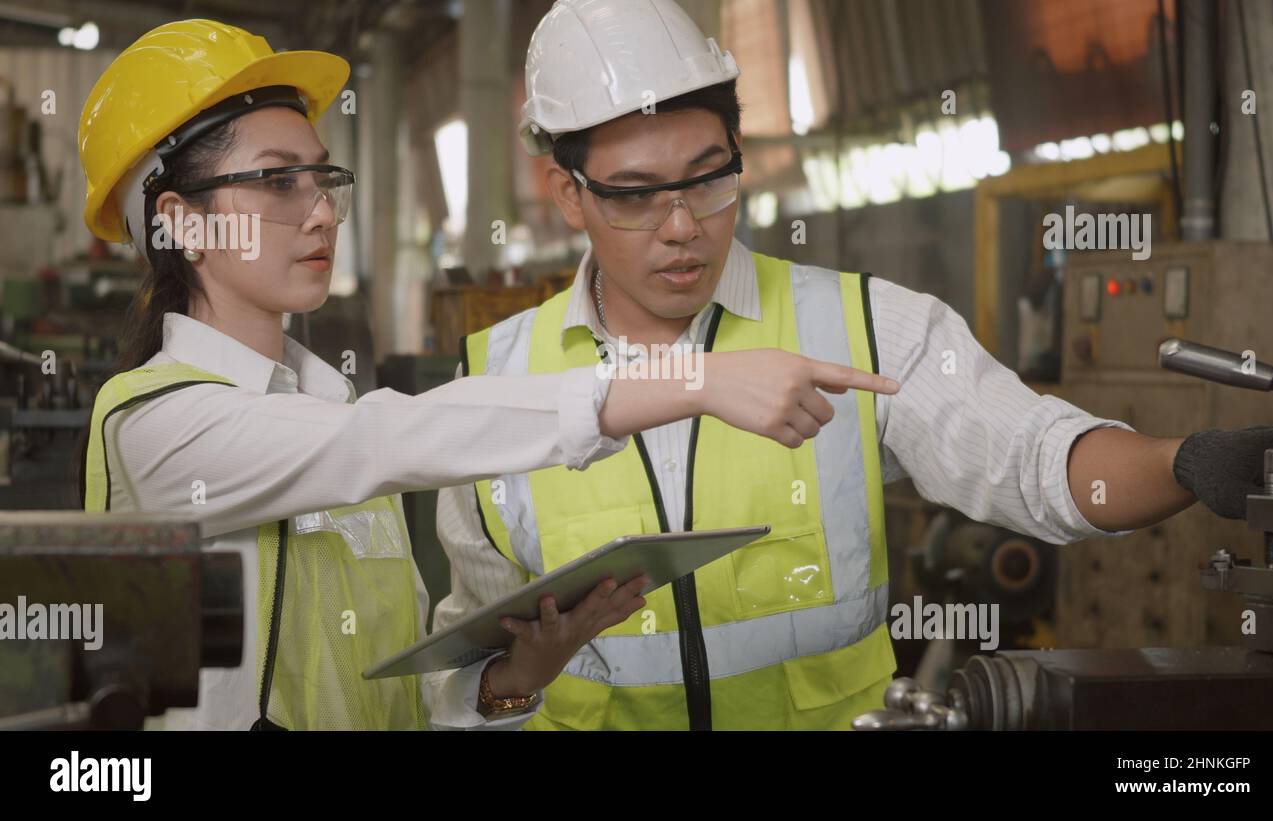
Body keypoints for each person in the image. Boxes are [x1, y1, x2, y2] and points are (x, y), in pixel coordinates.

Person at [427, 0, 1273, 730]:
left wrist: (1186, 462)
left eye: (709, 176)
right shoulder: (497, 385)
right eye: (634, 193)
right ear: (567, 193)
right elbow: (459, 688)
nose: (684, 223)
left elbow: (1034, 457)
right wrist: (518, 675)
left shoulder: (861, 323)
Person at [76, 18, 897, 731]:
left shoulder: (332, 402)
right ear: (178, 220)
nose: (320, 208)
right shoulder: (154, 425)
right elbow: (389, 434)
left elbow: (399, 700)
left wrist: (511, 681)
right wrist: (692, 380)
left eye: (323, 177)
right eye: (276, 181)